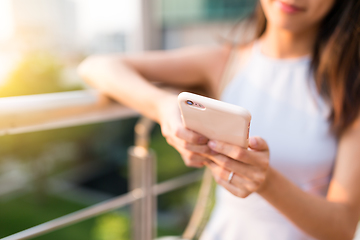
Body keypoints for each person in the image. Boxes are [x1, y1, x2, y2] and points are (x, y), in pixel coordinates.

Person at [78, 0, 360, 239]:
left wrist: (266, 182)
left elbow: (342, 227)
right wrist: (163, 106)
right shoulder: (224, 62)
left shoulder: (350, 87)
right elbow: (96, 67)